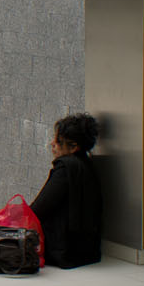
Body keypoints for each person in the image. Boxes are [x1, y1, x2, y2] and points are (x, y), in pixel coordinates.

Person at [29, 112, 103, 268]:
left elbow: (38, 210)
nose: (52, 144)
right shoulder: (88, 165)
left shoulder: (66, 168)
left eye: (57, 141)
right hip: (89, 251)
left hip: (64, 252)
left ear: (73, 146)